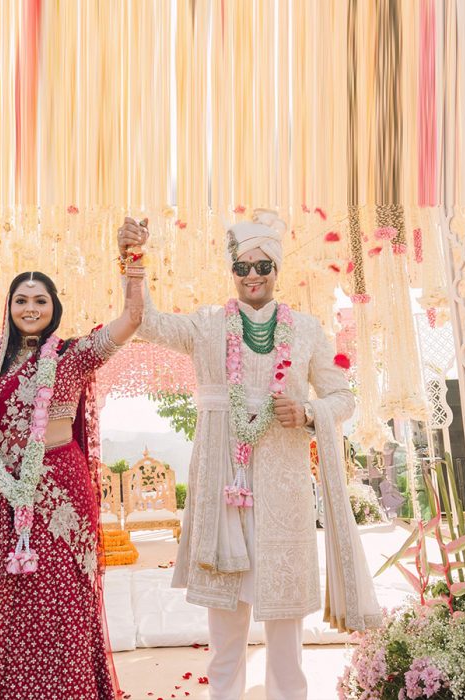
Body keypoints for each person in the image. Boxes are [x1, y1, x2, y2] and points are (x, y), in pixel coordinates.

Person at [117, 210, 381, 700]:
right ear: (232, 271)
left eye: (263, 266)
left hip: (283, 493)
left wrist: (307, 411)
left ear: (277, 269)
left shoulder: (306, 330)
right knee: (225, 634)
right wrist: (133, 261)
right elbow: (146, 322)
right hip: (224, 486)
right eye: (242, 267)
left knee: (286, 639)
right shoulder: (206, 325)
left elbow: (342, 397)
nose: (253, 276)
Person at [0, 267, 145, 699]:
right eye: (21, 300)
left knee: (60, 602)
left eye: (40, 300)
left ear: (55, 307)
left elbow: (133, 318)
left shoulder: (73, 355)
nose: (31, 308)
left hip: (59, 496)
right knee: (0, 605)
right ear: (9, 307)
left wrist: (133, 264)